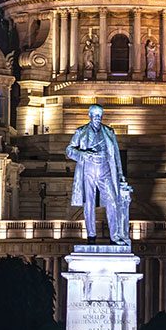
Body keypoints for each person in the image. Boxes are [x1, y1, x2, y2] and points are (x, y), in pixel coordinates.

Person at [66, 103, 130, 245]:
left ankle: (115, 236)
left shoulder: (109, 132)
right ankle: (91, 236)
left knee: (113, 201)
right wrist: (83, 153)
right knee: (88, 202)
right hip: (88, 168)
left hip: (105, 168)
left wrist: (120, 174)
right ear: (89, 116)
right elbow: (69, 150)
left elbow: (116, 156)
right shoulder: (80, 132)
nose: (97, 118)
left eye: (99, 115)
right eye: (95, 115)